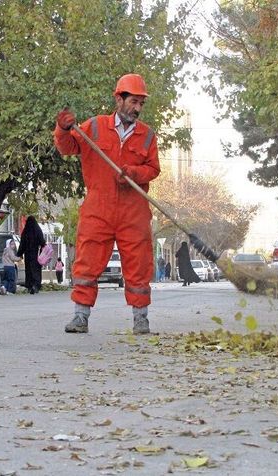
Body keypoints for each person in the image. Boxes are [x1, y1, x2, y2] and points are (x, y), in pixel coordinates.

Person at [54, 73, 160, 334]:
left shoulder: (147, 136)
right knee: (87, 261)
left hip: (133, 211)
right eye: (133, 102)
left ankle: (140, 318)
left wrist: (134, 173)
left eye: (140, 104)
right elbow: (67, 148)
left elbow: (153, 169)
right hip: (98, 208)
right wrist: (63, 128)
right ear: (118, 99)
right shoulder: (94, 127)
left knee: (138, 263)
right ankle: (80, 317)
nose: (137, 108)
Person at [17, 216, 46, 294]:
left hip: (28, 254)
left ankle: (30, 286)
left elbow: (22, 244)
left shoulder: (25, 231)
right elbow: (42, 242)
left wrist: (19, 253)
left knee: (29, 270)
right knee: (36, 270)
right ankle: (36, 285)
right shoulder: (37, 230)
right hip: (36, 254)